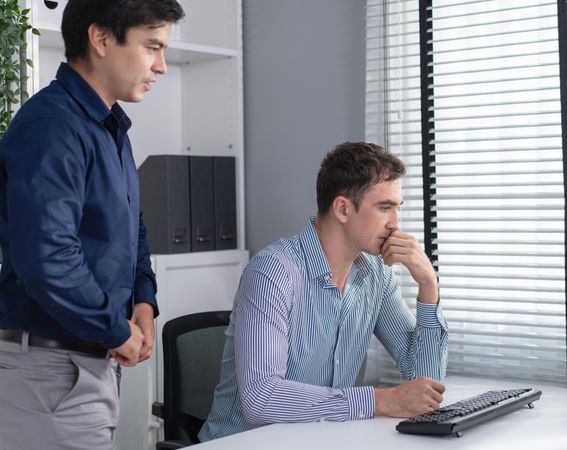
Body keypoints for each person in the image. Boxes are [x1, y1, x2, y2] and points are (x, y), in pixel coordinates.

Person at [0, 1, 184, 449]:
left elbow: (131, 226)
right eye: (152, 47)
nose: (161, 66)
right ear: (101, 39)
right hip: (49, 375)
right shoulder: (52, 127)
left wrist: (144, 300)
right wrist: (117, 328)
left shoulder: (108, 127)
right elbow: (48, 260)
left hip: (86, 366)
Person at [199, 142, 449, 440]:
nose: (396, 225)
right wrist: (381, 401)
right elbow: (261, 399)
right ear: (343, 208)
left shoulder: (375, 275)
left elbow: (426, 382)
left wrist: (428, 286)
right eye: (385, 208)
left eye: (397, 209)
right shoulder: (273, 272)